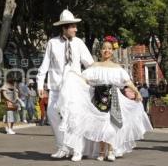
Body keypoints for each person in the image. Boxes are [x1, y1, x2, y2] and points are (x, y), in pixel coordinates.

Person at [56, 37, 153, 162]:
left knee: (112, 124)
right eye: (104, 48)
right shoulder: (95, 66)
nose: (106, 51)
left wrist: (136, 92)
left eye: (109, 48)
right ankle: (102, 151)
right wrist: (72, 77)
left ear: (112, 51)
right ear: (100, 51)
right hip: (99, 96)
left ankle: (111, 150)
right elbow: (84, 80)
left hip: (114, 96)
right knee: (100, 124)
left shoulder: (117, 67)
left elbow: (127, 81)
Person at [36, 9, 94, 159]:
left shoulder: (79, 43)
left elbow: (89, 63)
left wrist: (100, 75)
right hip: (56, 87)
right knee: (52, 115)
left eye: (75, 26)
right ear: (64, 28)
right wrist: (40, 86)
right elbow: (44, 66)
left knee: (74, 118)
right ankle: (63, 147)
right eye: (73, 26)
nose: (76, 29)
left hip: (74, 87)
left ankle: (77, 150)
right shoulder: (52, 43)